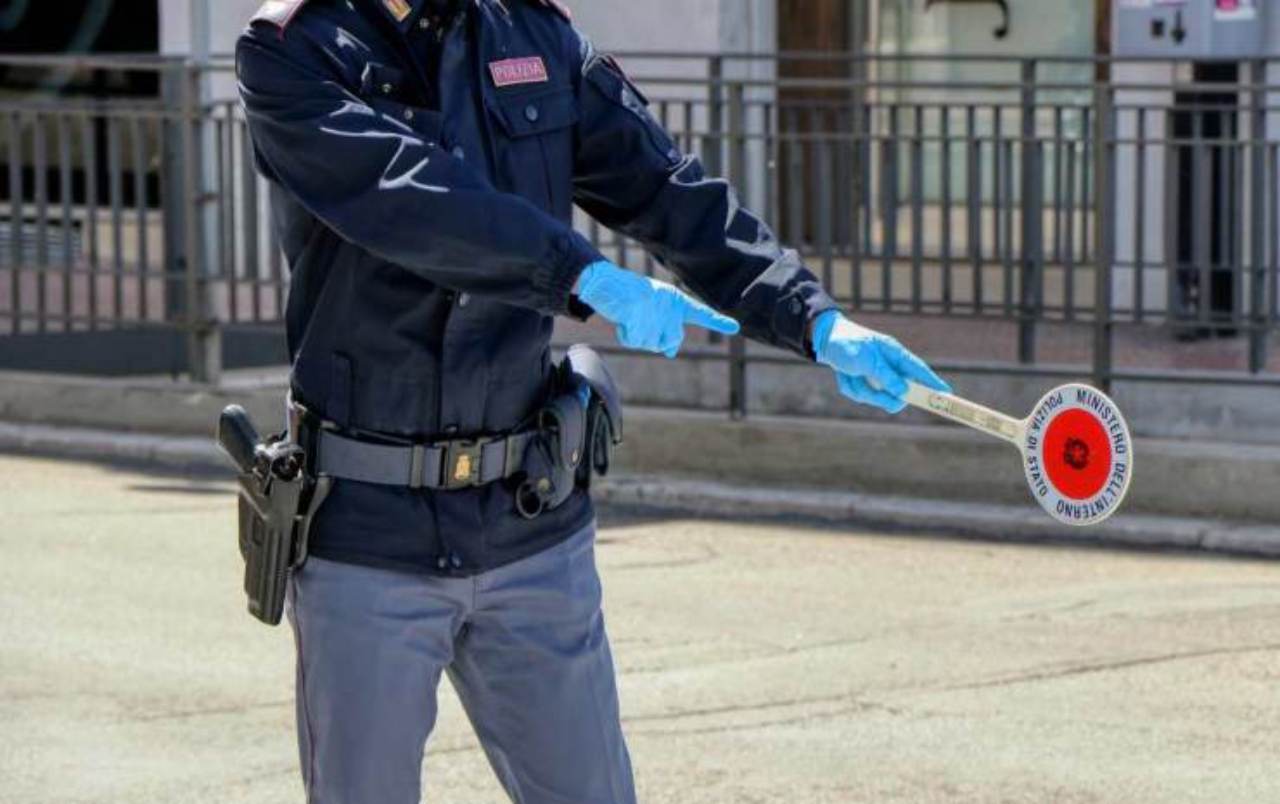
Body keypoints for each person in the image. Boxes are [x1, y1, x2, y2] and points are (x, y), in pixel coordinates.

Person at [236, 0, 950, 801]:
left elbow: (670, 191)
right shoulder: (294, 51)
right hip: (369, 530)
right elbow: (411, 198)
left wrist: (813, 317)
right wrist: (580, 273)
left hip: (528, 521)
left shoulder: (535, 34)